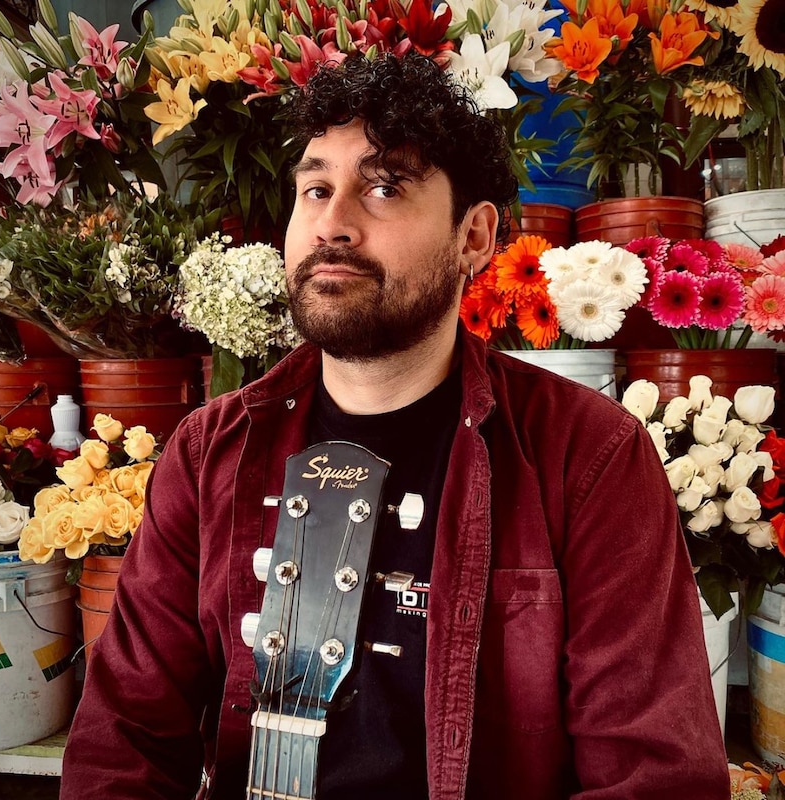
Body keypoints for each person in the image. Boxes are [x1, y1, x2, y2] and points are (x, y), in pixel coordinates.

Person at [60, 53, 730, 799]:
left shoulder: (589, 456)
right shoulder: (211, 449)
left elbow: (654, 775)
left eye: (383, 187)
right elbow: (123, 738)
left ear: (474, 237)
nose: (333, 223)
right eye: (315, 189)